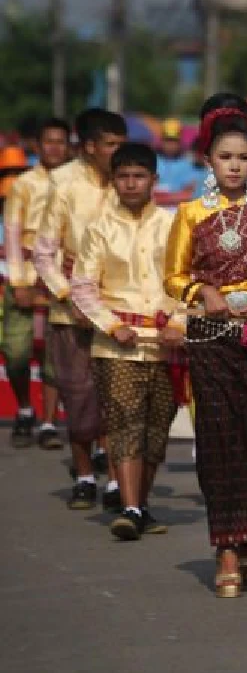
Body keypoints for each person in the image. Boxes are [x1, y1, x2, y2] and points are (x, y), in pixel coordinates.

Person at [163, 93, 247, 596]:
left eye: (242, 158)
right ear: (208, 160)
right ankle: (228, 549)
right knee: (219, 443)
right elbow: (173, 277)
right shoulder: (191, 214)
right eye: (224, 157)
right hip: (210, 339)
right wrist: (202, 291)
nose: (234, 166)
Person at [69, 142, 183, 540]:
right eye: (123, 176)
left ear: (154, 179)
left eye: (139, 176)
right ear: (113, 180)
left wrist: (180, 324)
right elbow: (82, 287)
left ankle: (140, 506)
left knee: (156, 431)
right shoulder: (99, 228)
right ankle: (130, 508)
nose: (131, 183)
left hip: (167, 346)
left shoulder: (173, 226)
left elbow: (189, 282)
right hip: (117, 346)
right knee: (124, 424)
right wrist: (110, 324)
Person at [34, 109, 126, 512]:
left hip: (120, 311)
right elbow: (43, 253)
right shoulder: (64, 184)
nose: (118, 152)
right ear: (90, 147)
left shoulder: (128, 183)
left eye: (122, 144)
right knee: (78, 396)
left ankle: (117, 481)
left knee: (116, 398)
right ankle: (85, 475)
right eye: (111, 145)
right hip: (71, 313)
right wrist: (69, 295)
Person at [4, 118, 71, 449]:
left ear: (69, 146)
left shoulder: (76, 183)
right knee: (16, 352)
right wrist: (18, 282)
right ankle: (24, 408)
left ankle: (48, 422)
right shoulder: (23, 184)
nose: (55, 148)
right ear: (37, 145)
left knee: (55, 358)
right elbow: (12, 234)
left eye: (61, 142)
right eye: (49, 141)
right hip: (27, 276)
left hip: (61, 280)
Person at [154, 117, 204, 206]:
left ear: (180, 141)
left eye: (174, 141)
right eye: (167, 140)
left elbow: (191, 193)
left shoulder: (189, 165)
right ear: (161, 140)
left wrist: (165, 198)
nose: (170, 145)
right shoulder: (152, 161)